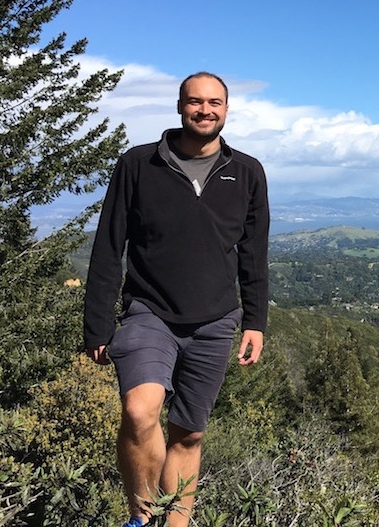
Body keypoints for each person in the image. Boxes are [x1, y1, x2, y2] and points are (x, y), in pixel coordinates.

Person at [83, 71, 269, 527]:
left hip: (215, 320)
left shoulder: (247, 172)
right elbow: (110, 246)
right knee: (139, 410)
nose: (205, 110)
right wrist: (97, 323)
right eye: (195, 102)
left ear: (226, 110)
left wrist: (255, 321)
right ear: (179, 106)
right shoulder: (138, 164)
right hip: (150, 313)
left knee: (188, 434)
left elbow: (253, 254)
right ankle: (141, 518)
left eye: (215, 103)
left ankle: (177, 523)